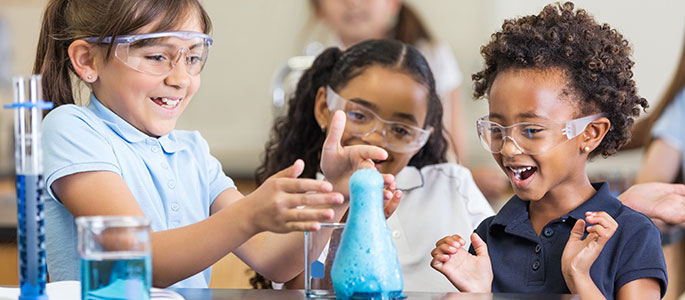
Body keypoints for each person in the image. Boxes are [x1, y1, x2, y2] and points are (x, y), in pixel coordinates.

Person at [35, 0, 393, 289]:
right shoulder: (71, 129)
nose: (181, 78)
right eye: (157, 56)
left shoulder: (191, 151)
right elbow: (141, 261)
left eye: (192, 57)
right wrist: (249, 215)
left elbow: (274, 262)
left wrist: (340, 191)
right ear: (86, 60)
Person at [430, 3, 667, 299]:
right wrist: (479, 294)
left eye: (531, 130)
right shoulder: (488, 235)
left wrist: (578, 276)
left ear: (590, 134)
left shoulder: (630, 234)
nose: (508, 148)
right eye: (497, 129)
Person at [253, 39, 494, 292]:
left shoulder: (453, 185)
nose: (376, 140)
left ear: (421, 139)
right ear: (325, 107)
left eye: (401, 129)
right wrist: (348, 220)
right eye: (359, 115)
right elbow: (303, 288)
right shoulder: (303, 202)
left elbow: (503, 270)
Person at [309, 0, 509, 200]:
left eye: (400, 129)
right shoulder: (313, 68)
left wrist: (459, 185)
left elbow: (452, 150)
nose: (352, 3)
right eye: (359, 115)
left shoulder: (432, 57)